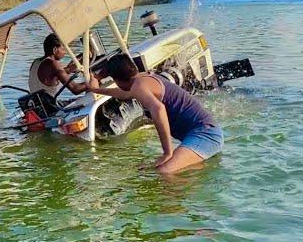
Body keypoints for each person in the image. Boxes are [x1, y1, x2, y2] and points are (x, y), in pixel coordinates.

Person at [86, 53, 223, 174]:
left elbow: (159, 109)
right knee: (147, 170)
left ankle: (176, 201)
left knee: (164, 171)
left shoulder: (139, 86)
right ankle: (195, 166)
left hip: (205, 134)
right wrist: (97, 90)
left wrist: (167, 153)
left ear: (117, 80)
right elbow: (124, 94)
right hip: (200, 134)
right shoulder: (144, 79)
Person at [28, 33, 92, 97]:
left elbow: (57, 73)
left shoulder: (36, 62)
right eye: (63, 49)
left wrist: (82, 58)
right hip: (49, 105)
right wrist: (97, 78)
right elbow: (75, 89)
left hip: (36, 103)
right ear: (55, 50)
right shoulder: (53, 63)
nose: (65, 52)